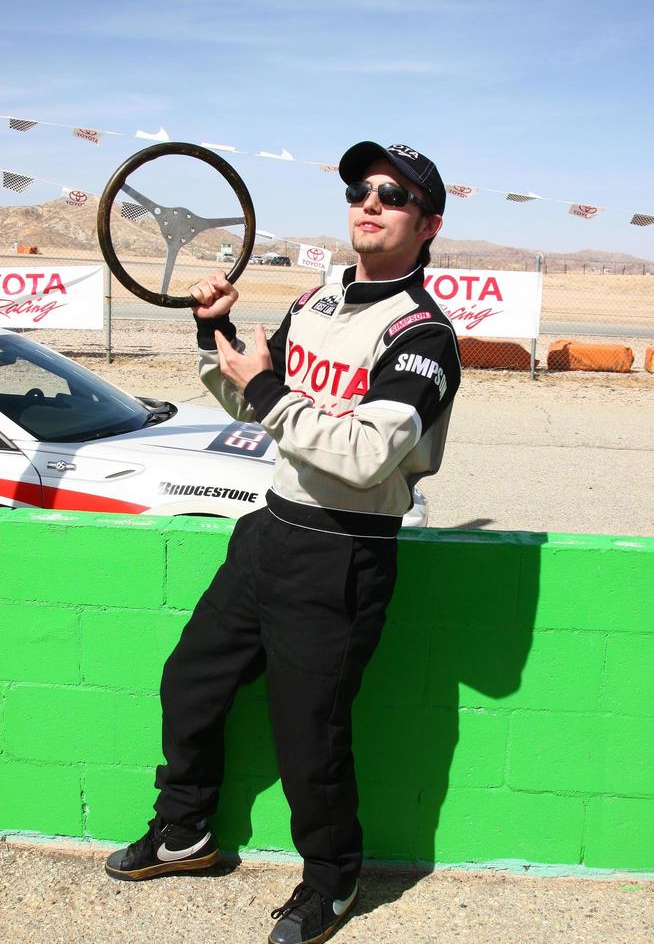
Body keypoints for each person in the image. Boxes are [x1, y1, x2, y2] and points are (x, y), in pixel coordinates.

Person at [105, 141, 461, 944]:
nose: (369, 202)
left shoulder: (422, 336)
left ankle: (332, 882)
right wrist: (216, 332)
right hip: (268, 527)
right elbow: (252, 408)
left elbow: (368, 454)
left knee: (312, 738)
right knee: (189, 682)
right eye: (360, 189)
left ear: (427, 223)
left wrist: (268, 386)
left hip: (343, 549)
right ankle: (185, 833)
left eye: (393, 195)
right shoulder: (320, 301)